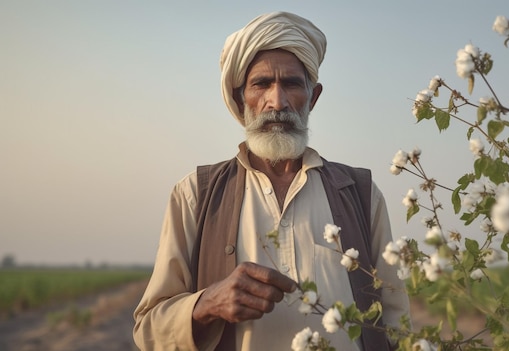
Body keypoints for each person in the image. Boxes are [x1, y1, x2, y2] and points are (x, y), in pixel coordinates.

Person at [133, 11, 409, 351]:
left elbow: (398, 324)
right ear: (240, 99)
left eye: (292, 84)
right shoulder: (195, 194)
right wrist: (206, 304)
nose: (276, 102)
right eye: (261, 84)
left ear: (313, 97)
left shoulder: (359, 193)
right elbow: (148, 331)